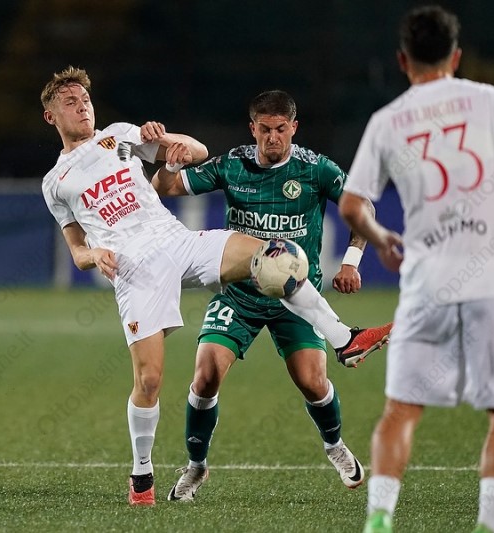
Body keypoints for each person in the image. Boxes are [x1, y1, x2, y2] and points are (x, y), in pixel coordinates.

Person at [40, 66, 392, 506]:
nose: (83, 107)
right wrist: (94, 256)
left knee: (277, 255)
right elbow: (77, 250)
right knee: (150, 380)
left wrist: (170, 144)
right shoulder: (55, 184)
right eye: (70, 102)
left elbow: (197, 150)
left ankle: (345, 340)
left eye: (86, 99)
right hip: (134, 267)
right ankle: (142, 473)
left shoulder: (120, 136)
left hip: (176, 241)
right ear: (51, 116)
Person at [338, 6, 494, 533]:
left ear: (403, 61)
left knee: (401, 409)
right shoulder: (488, 99)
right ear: (457, 57)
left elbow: (352, 204)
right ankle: (489, 526)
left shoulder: (387, 120)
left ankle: (380, 517)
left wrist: (382, 240)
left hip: (427, 283)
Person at [152, 89, 391, 502]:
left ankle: (334, 445)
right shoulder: (233, 164)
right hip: (238, 295)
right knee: (205, 377)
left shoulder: (315, 169)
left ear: (294, 127)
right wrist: (170, 165)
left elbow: (362, 207)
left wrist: (351, 261)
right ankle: (196, 466)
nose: (273, 137)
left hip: (296, 298)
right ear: (253, 128)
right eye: (265, 129)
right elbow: (166, 187)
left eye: (281, 129)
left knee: (313, 382)